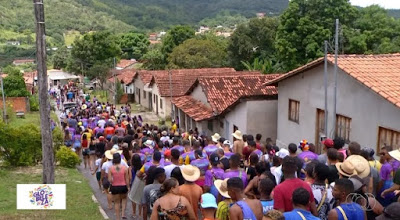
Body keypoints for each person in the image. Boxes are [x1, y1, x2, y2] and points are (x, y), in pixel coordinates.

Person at [108, 153, 130, 220]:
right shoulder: (125, 168)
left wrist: (113, 181)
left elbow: (110, 180)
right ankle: (123, 213)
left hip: (115, 187)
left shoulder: (111, 168)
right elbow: (127, 179)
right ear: (120, 159)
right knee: (124, 200)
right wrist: (128, 187)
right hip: (123, 186)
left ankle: (118, 218)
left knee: (116, 203)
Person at [129, 154, 143, 218]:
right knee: (140, 199)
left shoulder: (131, 168)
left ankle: (134, 212)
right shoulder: (142, 167)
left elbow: (130, 177)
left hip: (133, 183)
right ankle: (140, 213)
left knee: (133, 198)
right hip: (141, 183)